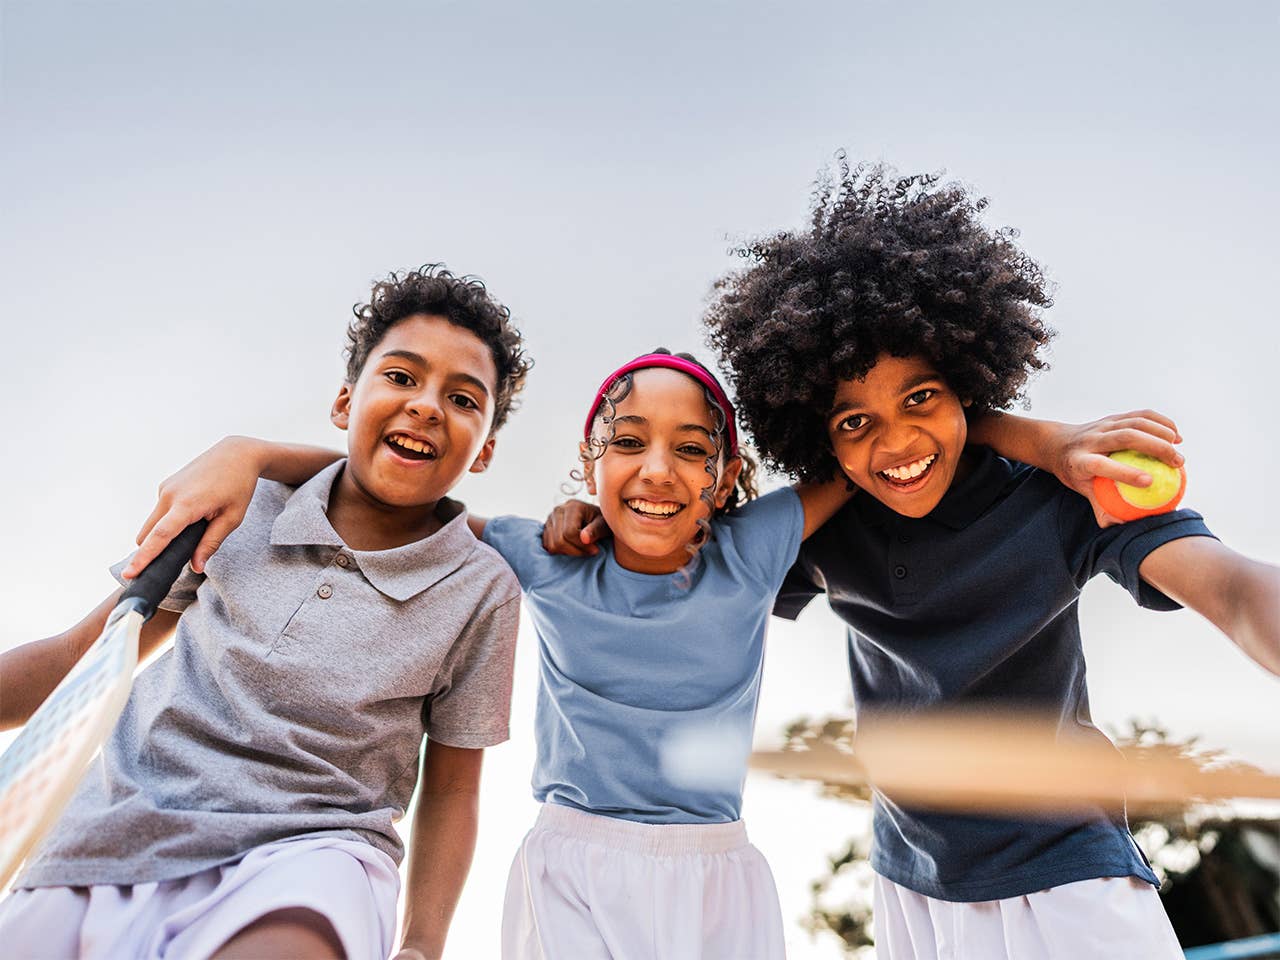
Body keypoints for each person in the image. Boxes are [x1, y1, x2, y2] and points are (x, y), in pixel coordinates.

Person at [122, 342, 1177, 959]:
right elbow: (395, 486)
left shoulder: (756, 546)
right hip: (573, 862)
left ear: (726, 479)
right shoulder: (542, 557)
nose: (656, 470)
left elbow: (901, 434)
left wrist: (1046, 441)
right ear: (589, 464)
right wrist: (251, 454)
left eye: (689, 450)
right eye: (626, 443)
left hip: (720, 873)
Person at [697, 162, 1280, 958]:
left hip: (1069, 878)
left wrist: (1045, 448)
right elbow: (693, 567)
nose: (897, 442)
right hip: (911, 889)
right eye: (853, 421)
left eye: (922, 397)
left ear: (968, 385)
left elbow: (1234, 591)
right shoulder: (829, 533)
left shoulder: (1063, 496)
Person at [0, 265, 531, 960]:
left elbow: (454, 789)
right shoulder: (237, 506)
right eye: (401, 377)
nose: (427, 406)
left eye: (462, 399)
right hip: (112, 832)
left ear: (483, 450)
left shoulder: (481, 588)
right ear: (344, 402)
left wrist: (422, 945)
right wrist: (245, 456)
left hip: (314, 858)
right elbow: (83, 656)